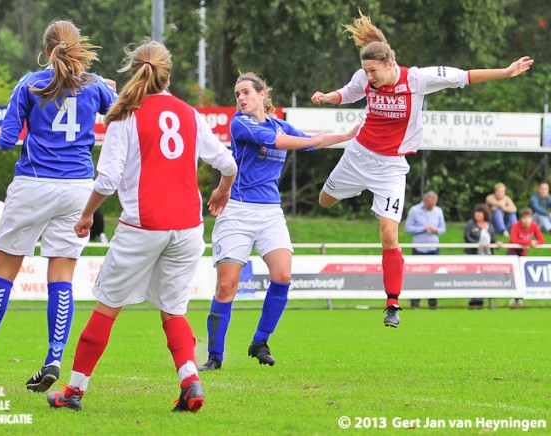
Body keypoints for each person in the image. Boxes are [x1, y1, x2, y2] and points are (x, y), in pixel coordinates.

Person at [46, 39, 238, 413]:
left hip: (143, 225)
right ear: (168, 73)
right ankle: (189, 381)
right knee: (173, 311)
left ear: (134, 70)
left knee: (107, 308)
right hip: (187, 228)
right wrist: (222, 190)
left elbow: (106, 181)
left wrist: (86, 215)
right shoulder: (189, 114)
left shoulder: (126, 114)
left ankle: (74, 391)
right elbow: (228, 164)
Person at [310, 10, 533, 327]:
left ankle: (392, 304)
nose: (369, 77)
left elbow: (463, 76)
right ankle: (353, 190)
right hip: (358, 156)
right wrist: (327, 97)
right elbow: (348, 92)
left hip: (390, 169)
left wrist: (506, 71)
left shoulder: (416, 79)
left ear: (389, 65)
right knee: (324, 202)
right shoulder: (365, 78)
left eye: (373, 70)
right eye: (366, 71)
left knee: (389, 234)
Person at [0, 20, 118, 393]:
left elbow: (8, 139)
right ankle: (53, 358)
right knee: (61, 277)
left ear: (45, 51)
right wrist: (110, 88)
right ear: (77, 49)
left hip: (33, 185)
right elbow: (121, 112)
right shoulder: (94, 86)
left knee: (3, 273)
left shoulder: (29, 83)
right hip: (77, 188)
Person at [198, 72, 360, 372]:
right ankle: (215, 356)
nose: (241, 99)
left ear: (262, 94)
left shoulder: (279, 124)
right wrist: (312, 139)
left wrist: (349, 135)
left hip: (270, 212)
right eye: (237, 95)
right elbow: (280, 141)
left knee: (283, 276)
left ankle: (260, 341)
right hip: (238, 211)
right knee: (226, 287)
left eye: (246, 92)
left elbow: (314, 142)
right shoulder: (240, 122)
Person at [403, 191, 445, 309]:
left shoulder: (438, 211)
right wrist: (422, 228)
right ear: (425, 201)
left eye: (433, 205)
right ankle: (415, 303)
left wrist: (436, 230)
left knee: (434, 275)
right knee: (417, 275)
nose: (431, 207)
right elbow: (408, 228)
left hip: (433, 247)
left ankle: (433, 303)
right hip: (419, 248)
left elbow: (443, 229)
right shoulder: (414, 210)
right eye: (429, 205)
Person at [464, 204, 501, 309]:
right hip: (473, 256)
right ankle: (473, 301)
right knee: (474, 279)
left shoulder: (490, 226)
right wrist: (476, 243)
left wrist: (497, 244)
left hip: (487, 257)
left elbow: (493, 240)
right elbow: (467, 237)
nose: (478, 214)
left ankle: (483, 300)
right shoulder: (471, 225)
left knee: (485, 279)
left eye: (480, 212)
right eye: (476, 212)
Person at [507, 207, 544, 308]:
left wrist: (534, 242)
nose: (526, 220)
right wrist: (528, 242)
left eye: (529, 217)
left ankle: (518, 299)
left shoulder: (534, 226)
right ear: (520, 219)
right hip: (512, 253)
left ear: (532, 218)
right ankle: (514, 298)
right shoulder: (516, 226)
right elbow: (513, 240)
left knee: (522, 277)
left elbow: (541, 240)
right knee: (514, 276)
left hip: (523, 254)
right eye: (524, 218)